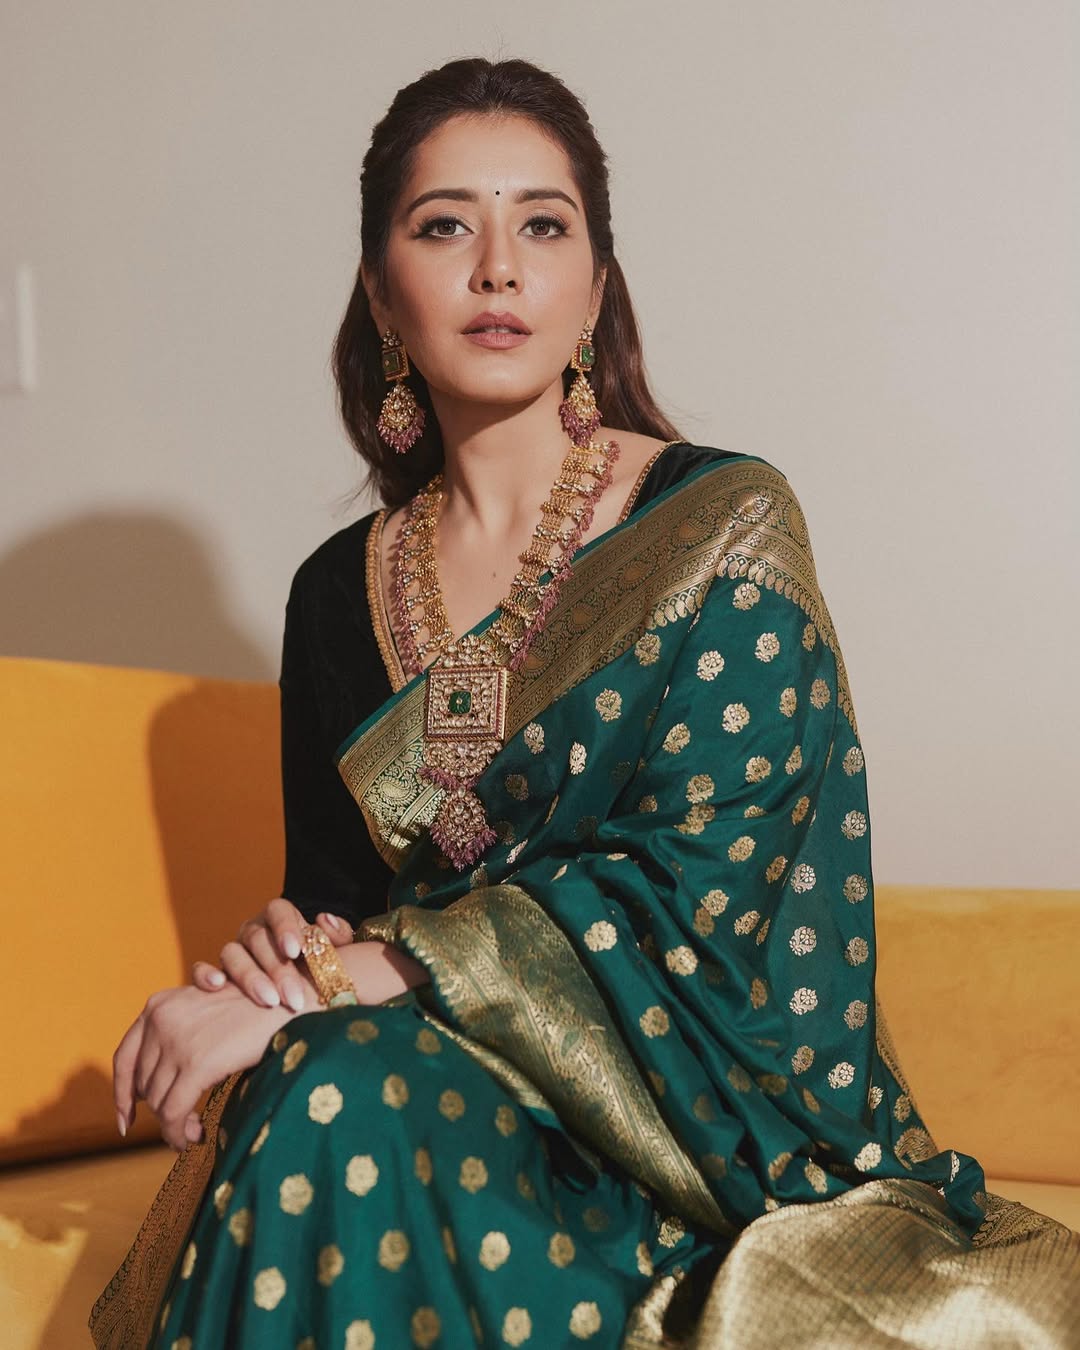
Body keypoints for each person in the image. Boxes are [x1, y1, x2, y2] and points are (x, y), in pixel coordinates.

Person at [91, 57, 1079, 1350]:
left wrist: (335, 978)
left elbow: (709, 895)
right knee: (325, 1080)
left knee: (330, 1087)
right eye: (445, 225)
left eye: (543, 226)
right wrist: (287, 965)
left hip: (700, 1119)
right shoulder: (336, 592)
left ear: (597, 287)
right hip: (435, 1088)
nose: (498, 268)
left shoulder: (720, 524)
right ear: (383, 290)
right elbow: (342, 904)